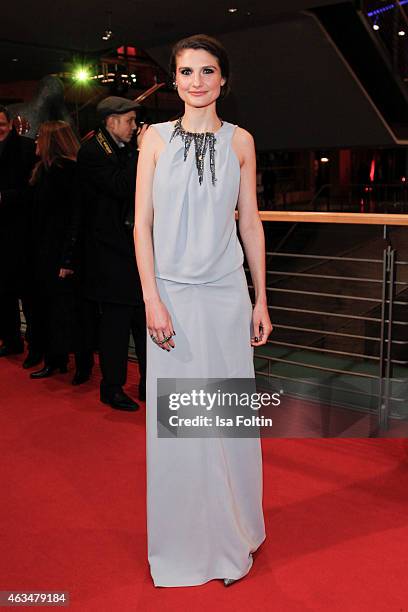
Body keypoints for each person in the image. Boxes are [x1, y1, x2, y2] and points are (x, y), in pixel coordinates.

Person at [134, 34, 273, 587]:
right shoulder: (154, 141)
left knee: (227, 420)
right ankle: (186, 540)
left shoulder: (242, 141)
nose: (196, 81)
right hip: (170, 299)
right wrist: (151, 298)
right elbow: (141, 225)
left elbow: (250, 222)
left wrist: (261, 297)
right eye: (186, 72)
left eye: (206, 71)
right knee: (181, 427)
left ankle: (235, 530)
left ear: (223, 80)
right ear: (174, 80)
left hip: (224, 296)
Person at [77, 97, 147, 411]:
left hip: (132, 251)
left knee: (144, 322)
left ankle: (150, 383)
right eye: (130, 120)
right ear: (111, 121)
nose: (134, 127)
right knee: (116, 327)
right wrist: (143, 153)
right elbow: (121, 185)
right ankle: (112, 387)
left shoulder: (122, 149)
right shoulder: (92, 152)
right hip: (109, 255)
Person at [27, 121, 85, 380]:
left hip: (59, 253)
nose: (36, 141)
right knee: (50, 307)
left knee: (60, 309)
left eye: (40, 137)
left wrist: (68, 258)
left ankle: (59, 359)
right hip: (45, 251)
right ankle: (55, 358)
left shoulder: (66, 171)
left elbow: (74, 217)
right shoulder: (45, 170)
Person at [0, 105, 36, 358]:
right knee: (3, 292)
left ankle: (36, 343)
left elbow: (34, 190)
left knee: (28, 292)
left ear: (11, 123)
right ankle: (11, 340)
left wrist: (4, 197)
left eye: (0, 123)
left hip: (23, 232)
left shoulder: (26, 147)